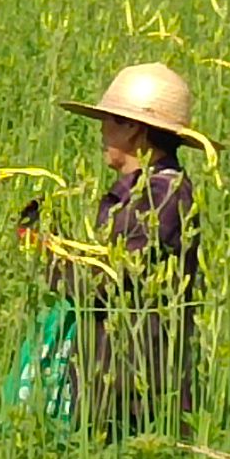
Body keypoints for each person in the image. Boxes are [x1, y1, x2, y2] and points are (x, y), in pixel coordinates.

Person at [21, 62, 207, 428]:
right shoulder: (139, 193)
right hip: (108, 380)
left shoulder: (162, 197)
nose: (102, 132)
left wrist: (44, 251)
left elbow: (105, 281)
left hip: (137, 393)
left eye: (109, 121)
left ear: (134, 129)